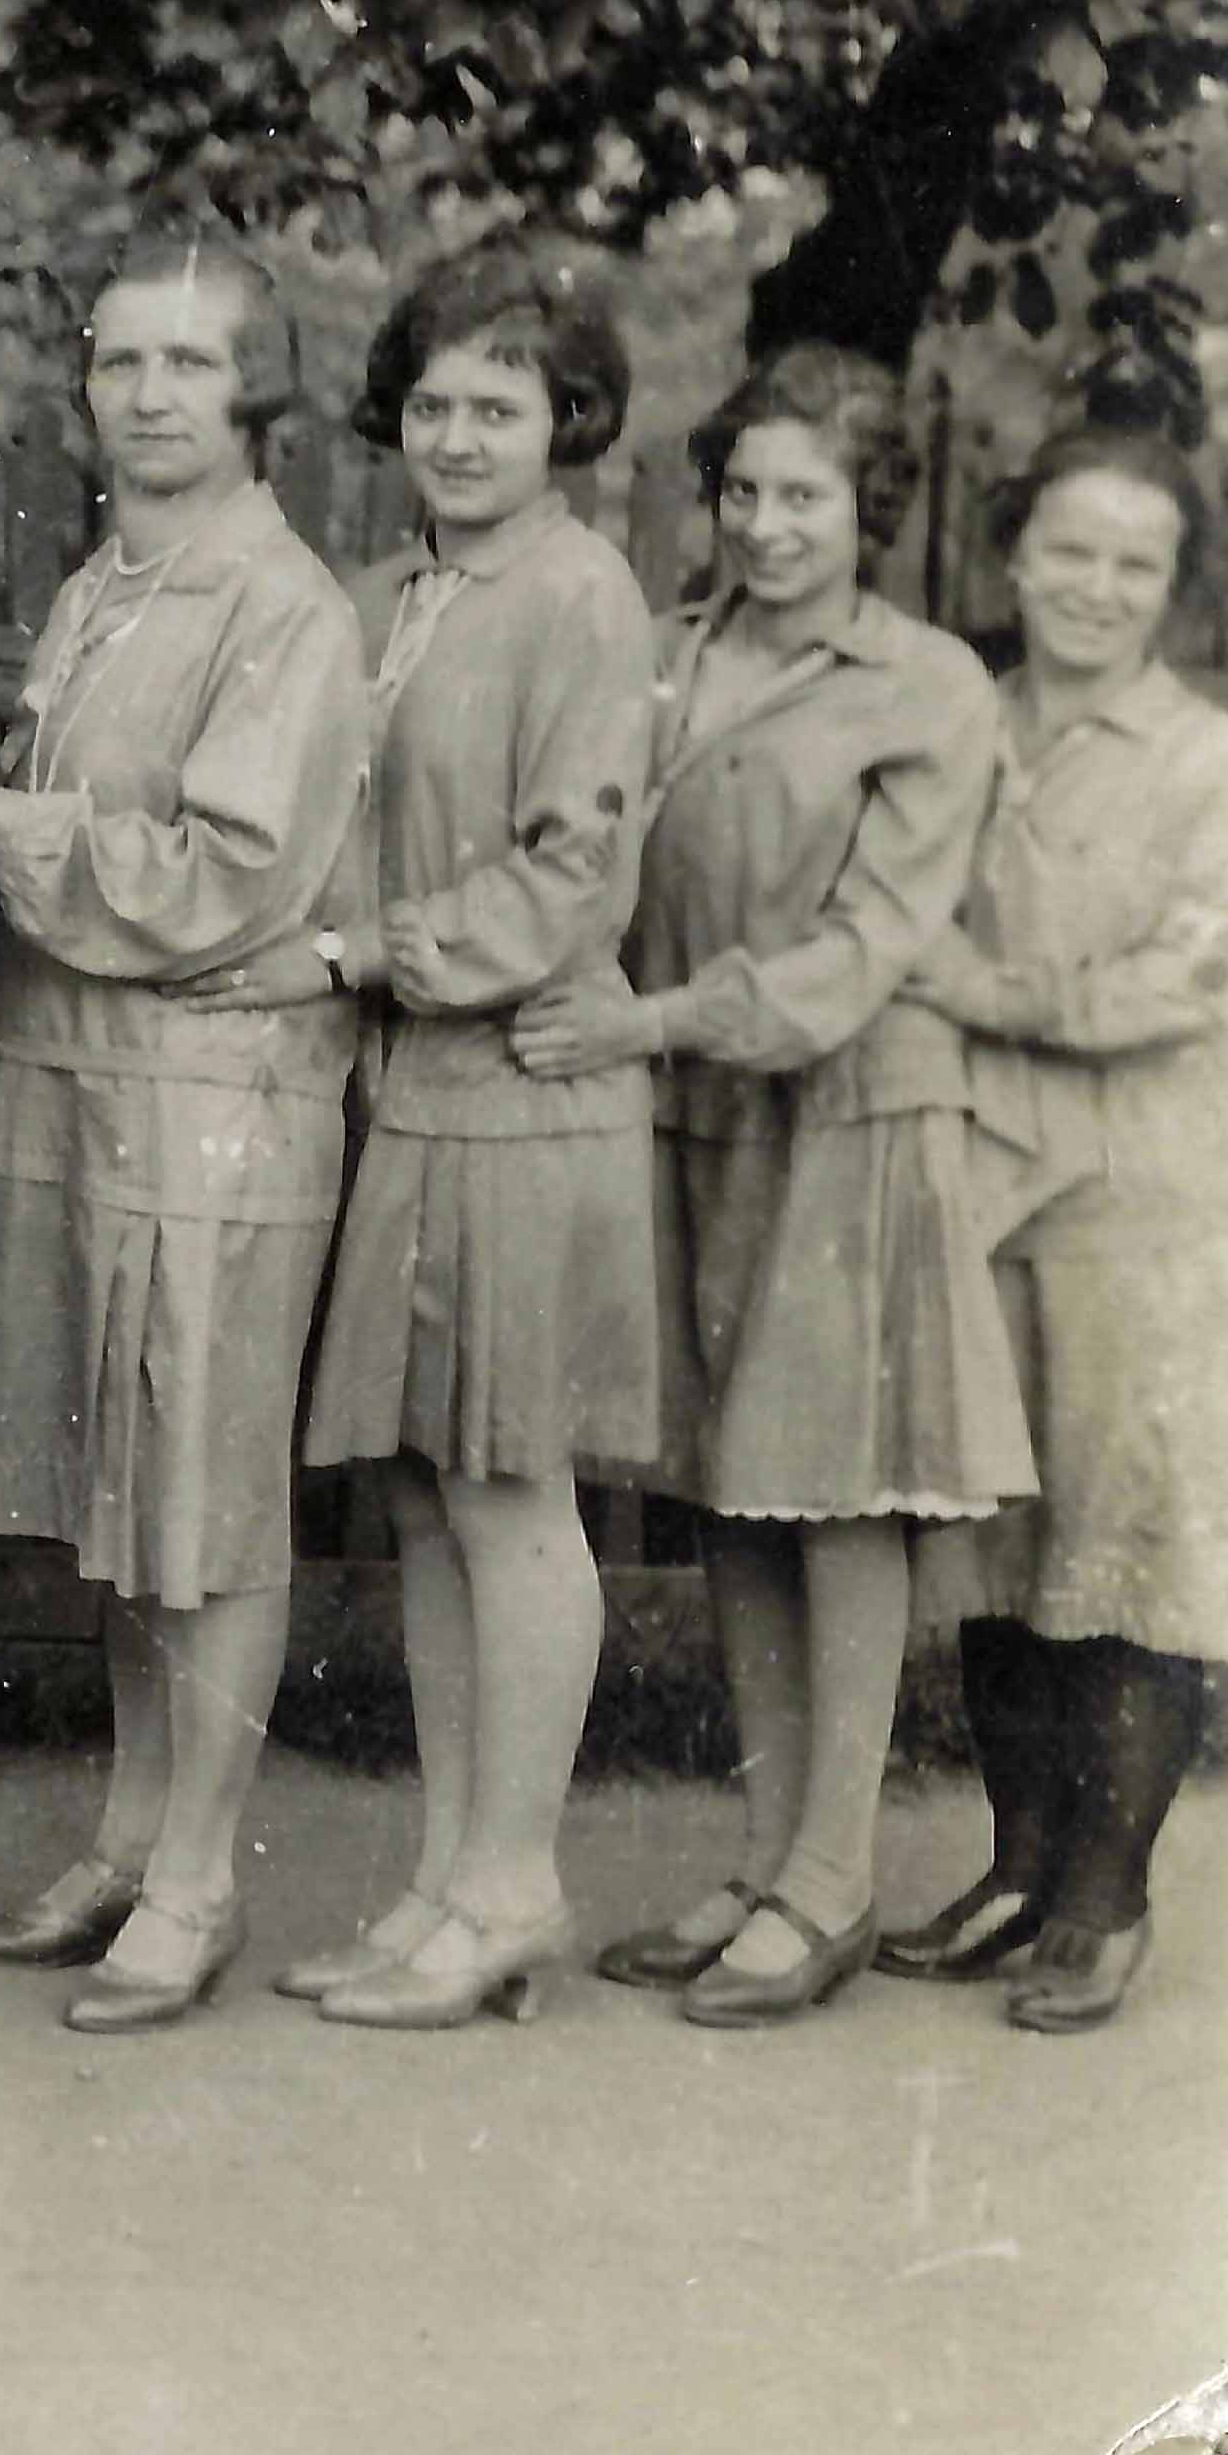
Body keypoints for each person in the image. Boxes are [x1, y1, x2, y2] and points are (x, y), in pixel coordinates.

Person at [0, 229, 365, 2034]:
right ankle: (121, 1836)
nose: (150, 396)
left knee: (204, 1487)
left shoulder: (285, 608)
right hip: (67, 1071)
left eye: (187, 364)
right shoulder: (106, 583)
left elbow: (236, 878)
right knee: (115, 1481)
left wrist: (0, 833)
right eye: (119, 364)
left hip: (210, 1098)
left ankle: (193, 1880)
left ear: (256, 394)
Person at [519, 344, 1019, 2028]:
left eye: (806, 494)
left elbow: (867, 947)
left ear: (867, 507)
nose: (767, 523)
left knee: (833, 1489)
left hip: (849, 1112)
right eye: (742, 490)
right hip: (696, 1116)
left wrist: (644, 1021)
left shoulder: (927, 684)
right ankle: (760, 1853)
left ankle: (831, 1881)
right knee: (733, 1488)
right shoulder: (664, 659)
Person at [206, 239, 662, 2032]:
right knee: (424, 1496)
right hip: (413, 1096)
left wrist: (359, 954)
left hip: (516, 1103)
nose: (459, 436)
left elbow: (569, 875)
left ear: (569, 425)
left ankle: (515, 1883)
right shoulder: (402, 591)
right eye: (433, 405)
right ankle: (441, 1884)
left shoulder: (580, 597)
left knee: (505, 1485)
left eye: (501, 406)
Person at [890, 425, 1228, 2035]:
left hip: (1136, 1198)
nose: (1093, 589)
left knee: (1122, 1549)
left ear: (1170, 592)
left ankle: (1108, 1896)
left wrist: (987, 997)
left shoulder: (1210, 763)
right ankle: (1015, 1867)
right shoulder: (958, 724)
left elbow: (1192, 981)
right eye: (1067, 551)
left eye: (1133, 564)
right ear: (1011, 555)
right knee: (993, 1543)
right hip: (975, 1179)